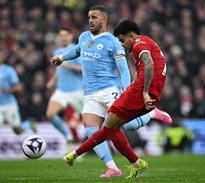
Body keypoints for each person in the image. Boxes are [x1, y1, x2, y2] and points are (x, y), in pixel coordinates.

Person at [50, 6, 172, 178]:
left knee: (119, 124)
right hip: (90, 93)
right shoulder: (84, 37)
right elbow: (77, 51)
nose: (90, 20)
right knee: (92, 128)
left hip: (110, 89)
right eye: (89, 17)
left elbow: (123, 70)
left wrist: (126, 91)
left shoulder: (114, 41)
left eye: (94, 17)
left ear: (104, 20)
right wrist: (61, 57)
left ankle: (150, 115)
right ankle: (112, 167)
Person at [0, 50, 32, 163]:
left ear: (2, 58)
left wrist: (9, 89)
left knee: (17, 130)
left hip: (9, 105)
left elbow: (19, 87)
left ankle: (29, 123)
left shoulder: (8, 70)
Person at [46, 28, 83, 143]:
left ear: (71, 36)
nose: (63, 38)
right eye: (61, 35)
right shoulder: (57, 52)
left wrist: (69, 66)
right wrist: (52, 80)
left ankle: (97, 143)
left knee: (89, 121)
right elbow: (59, 70)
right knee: (50, 114)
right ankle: (68, 136)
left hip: (77, 91)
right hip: (61, 91)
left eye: (66, 35)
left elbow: (84, 69)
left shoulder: (76, 49)